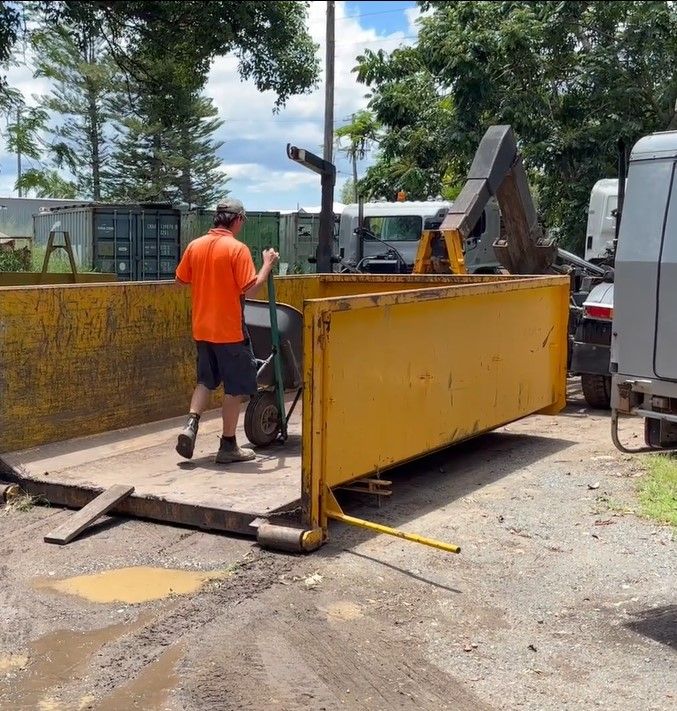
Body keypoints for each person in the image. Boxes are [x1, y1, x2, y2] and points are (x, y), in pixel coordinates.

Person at [174, 198, 279, 463]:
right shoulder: (236, 249)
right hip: (229, 331)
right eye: (243, 221)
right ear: (237, 219)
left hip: (202, 329)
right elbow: (251, 289)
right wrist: (267, 264)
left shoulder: (195, 246)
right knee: (234, 389)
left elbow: (180, 280)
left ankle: (191, 423)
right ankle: (229, 446)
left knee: (205, 381)